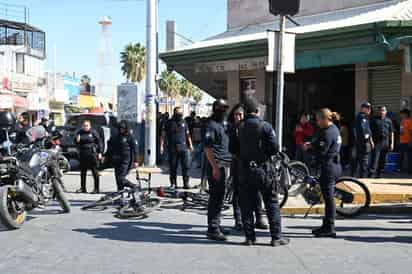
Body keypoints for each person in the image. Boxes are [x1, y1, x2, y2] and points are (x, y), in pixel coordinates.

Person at [237, 97, 289, 247]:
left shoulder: (239, 127)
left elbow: (233, 149)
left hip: (245, 170)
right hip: (263, 169)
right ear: (257, 111)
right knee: (271, 202)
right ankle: (276, 237)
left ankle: (250, 238)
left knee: (246, 205)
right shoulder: (265, 126)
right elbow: (274, 148)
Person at [228, 104, 267, 231]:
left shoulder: (249, 126)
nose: (237, 117)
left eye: (240, 114)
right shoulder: (233, 128)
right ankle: (238, 220)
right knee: (237, 193)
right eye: (235, 115)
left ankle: (259, 218)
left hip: (253, 165)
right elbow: (232, 148)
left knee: (257, 193)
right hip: (238, 164)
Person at [304, 108, 342, 238]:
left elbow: (321, 152)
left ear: (326, 119)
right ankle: (326, 226)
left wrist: (309, 149)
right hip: (333, 165)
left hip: (329, 167)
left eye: (319, 120)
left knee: (329, 199)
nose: (317, 122)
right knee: (327, 198)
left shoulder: (328, 132)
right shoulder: (333, 129)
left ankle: (330, 227)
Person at [204, 99, 232, 241]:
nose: (224, 111)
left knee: (220, 197)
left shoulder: (224, 124)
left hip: (224, 165)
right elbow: (207, 149)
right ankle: (213, 228)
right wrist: (215, 167)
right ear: (215, 108)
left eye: (226, 108)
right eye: (222, 108)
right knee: (215, 197)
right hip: (216, 166)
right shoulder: (211, 125)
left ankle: (217, 224)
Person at [160, 107, 193, 189]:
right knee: (173, 167)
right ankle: (173, 184)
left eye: (181, 113)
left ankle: (186, 183)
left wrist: (191, 145)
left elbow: (187, 134)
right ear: (174, 113)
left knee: (186, 167)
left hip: (184, 148)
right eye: (178, 113)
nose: (180, 115)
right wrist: (161, 146)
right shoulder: (168, 123)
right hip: (173, 148)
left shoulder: (184, 122)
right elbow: (163, 135)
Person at [110, 120, 139, 191]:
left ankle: (133, 186)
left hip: (125, 160)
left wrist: (136, 160)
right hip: (116, 159)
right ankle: (120, 193)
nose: (121, 130)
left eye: (123, 128)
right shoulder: (116, 136)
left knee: (121, 178)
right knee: (118, 179)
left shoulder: (129, 136)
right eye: (120, 128)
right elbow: (111, 146)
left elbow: (135, 148)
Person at [75, 120, 103, 194]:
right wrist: (76, 140)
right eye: (84, 125)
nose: (85, 127)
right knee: (83, 172)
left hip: (92, 154)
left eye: (87, 125)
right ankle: (83, 188)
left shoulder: (93, 132)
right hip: (83, 154)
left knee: (95, 172)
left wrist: (100, 152)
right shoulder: (80, 132)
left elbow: (99, 142)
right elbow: (75, 141)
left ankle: (96, 188)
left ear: (90, 126)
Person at [369, 106, 394, 178]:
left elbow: (391, 132)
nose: (381, 112)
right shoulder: (374, 120)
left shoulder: (389, 121)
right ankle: (371, 174)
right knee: (375, 159)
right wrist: (371, 142)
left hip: (385, 142)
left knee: (383, 160)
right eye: (380, 110)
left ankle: (379, 174)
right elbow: (370, 132)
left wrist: (391, 143)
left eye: (383, 110)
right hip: (377, 142)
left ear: (386, 112)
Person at [354, 102, 374, 178]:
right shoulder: (362, 117)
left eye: (369, 108)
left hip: (361, 142)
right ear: (363, 108)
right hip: (363, 143)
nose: (369, 110)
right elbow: (364, 132)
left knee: (361, 161)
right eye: (367, 108)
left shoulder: (364, 117)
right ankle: (362, 179)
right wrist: (369, 139)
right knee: (364, 162)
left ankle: (359, 177)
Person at [400, 109, 412, 174]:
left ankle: (410, 170)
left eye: (402, 114)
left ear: (406, 114)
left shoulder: (409, 121)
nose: (401, 115)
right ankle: (401, 169)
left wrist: (410, 141)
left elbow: (411, 132)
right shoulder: (402, 121)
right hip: (402, 141)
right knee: (402, 156)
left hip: (408, 141)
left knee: (409, 156)